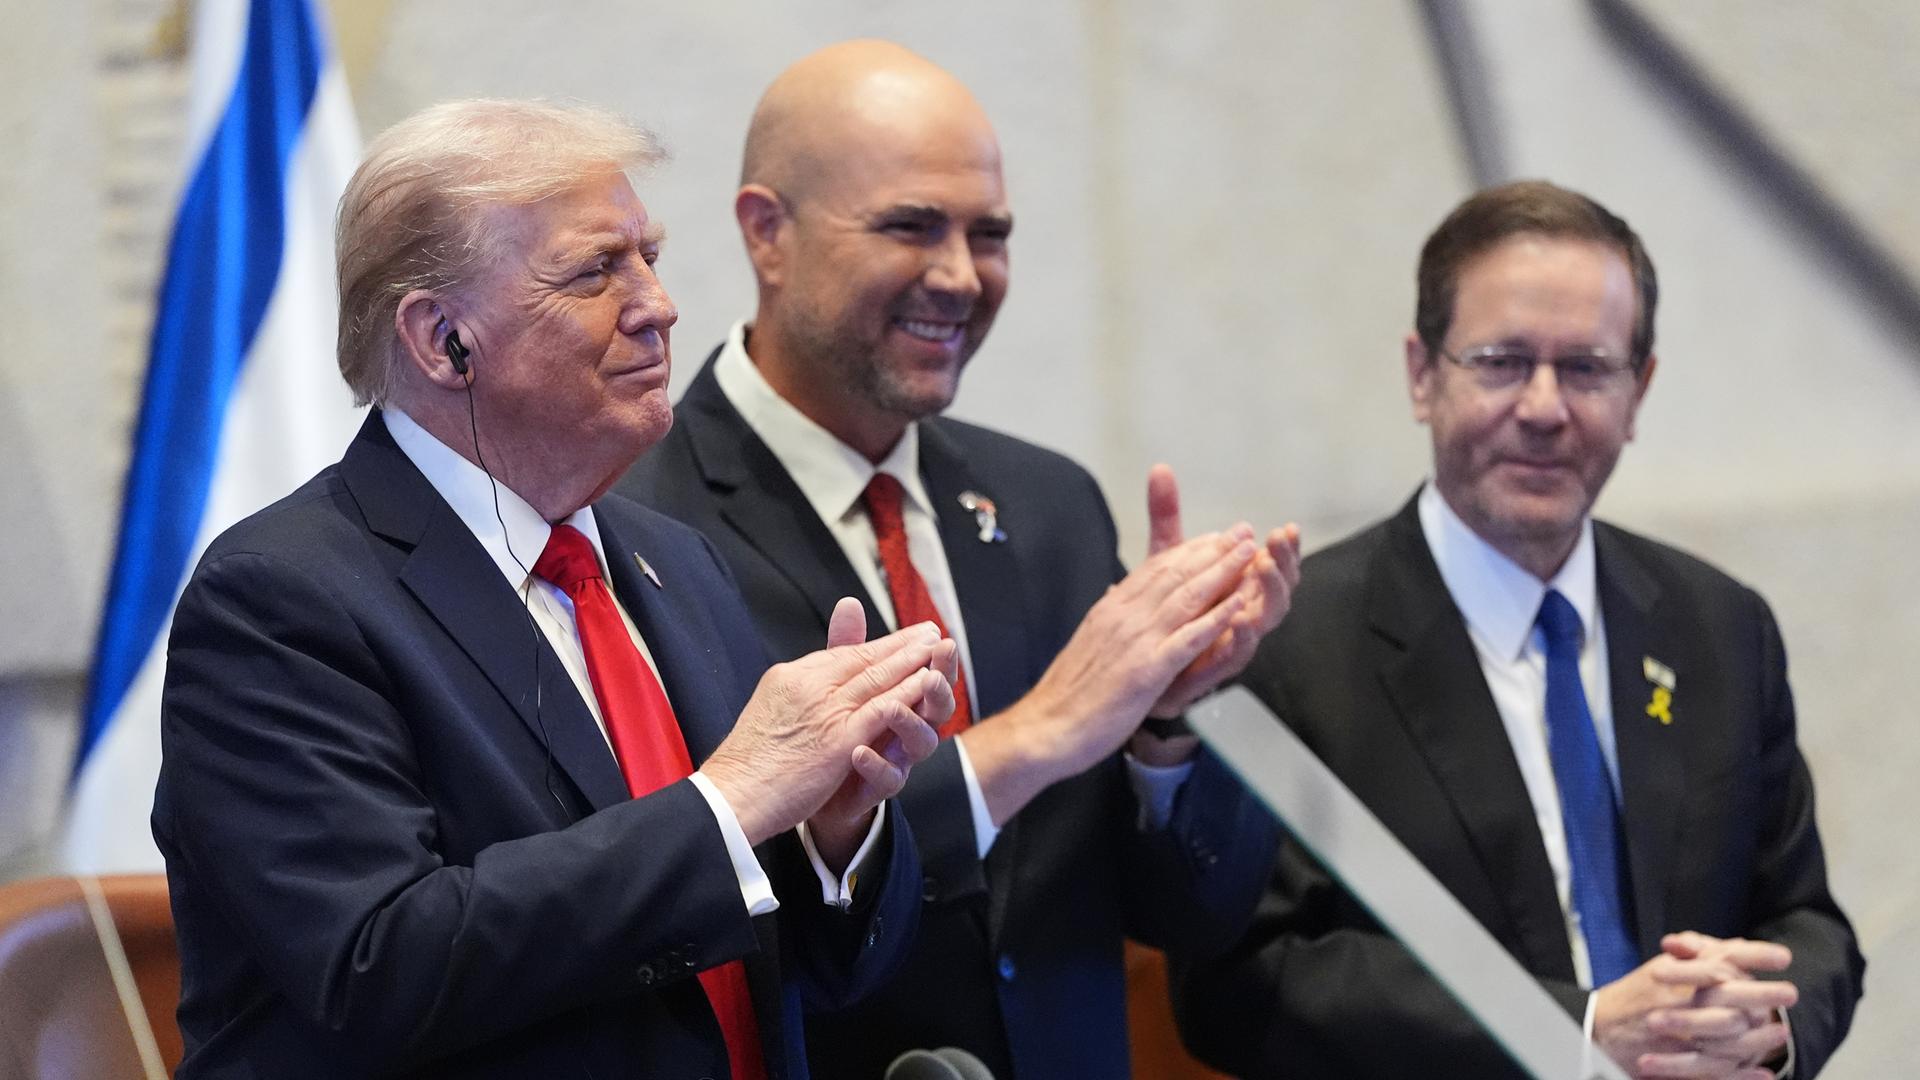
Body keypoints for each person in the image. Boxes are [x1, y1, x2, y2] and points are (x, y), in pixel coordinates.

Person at [154, 99, 958, 1079]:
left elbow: (802, 969)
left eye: (649, 257)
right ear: (442, 338)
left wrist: (834, 831)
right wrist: (735, 797)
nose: (658, 305)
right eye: (595, 271)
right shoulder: (279, 599)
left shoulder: (677, 564)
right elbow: (379, 969)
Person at [618, 40, 1297, 1080]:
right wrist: (1036, 737)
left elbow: (1195, 914)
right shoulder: (633, 524)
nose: (962, 276)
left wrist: (1168, 723)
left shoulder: (1049, 505)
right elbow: (684, 919)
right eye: (911, 226)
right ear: (767, 232)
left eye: (991, 234)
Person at [1174, 180, 1865, 1079]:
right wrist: (1579, 1034)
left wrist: (1766, 1028)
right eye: (1501, 362)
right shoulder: (1290, 644)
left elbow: (1807, 922)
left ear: (1639, 392)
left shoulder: (1720, 628)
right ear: (1422, 375)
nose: (1544, 408)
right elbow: (1243, 982)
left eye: (1586, 368)